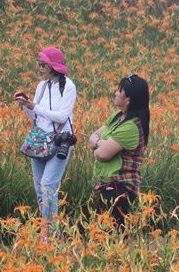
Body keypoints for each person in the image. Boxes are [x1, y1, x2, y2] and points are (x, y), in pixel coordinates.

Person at [14, 47, 77, 242]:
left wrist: (36, 107)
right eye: (39, 64)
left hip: (60, 141)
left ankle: (46, 234)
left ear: (54, 66)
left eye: (43, 64)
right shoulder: (42, 86)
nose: (40, 68)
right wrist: (26, 106)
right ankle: (53, 235)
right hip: (40, 142)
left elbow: (61, 117)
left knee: (48, 186)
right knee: (40, 189)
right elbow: (36, 118)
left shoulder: (68, 87)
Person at [88, 74, 150, 233]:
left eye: (119, 90)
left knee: (111, 236)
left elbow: (102, 154)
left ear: (129, 99)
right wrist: (101, 144)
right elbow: (91, 138)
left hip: (119, 188)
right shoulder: (117, 117)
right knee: (102, 235)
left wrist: (99, 145)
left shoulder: (131, 127)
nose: (115, 93)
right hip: (105, 185)